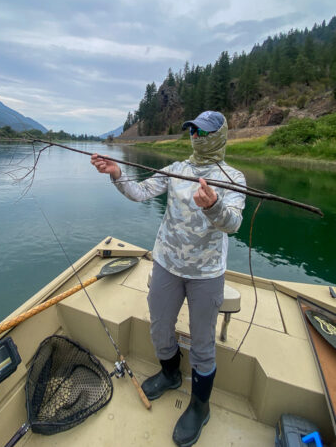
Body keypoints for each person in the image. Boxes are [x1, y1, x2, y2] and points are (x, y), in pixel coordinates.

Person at [91, 111, 246, 447]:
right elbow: (140, 192)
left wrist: (214, 206)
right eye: (192, 132)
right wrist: (117, 173)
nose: (196, 138)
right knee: (160, 327)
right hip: (166, 263)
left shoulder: (234, 177)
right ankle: (171, 374)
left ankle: (200, 406)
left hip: (206, 274)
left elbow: (232, 223)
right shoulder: (175, 170)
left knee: (203, 344)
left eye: (203, 133)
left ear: (220, 136)